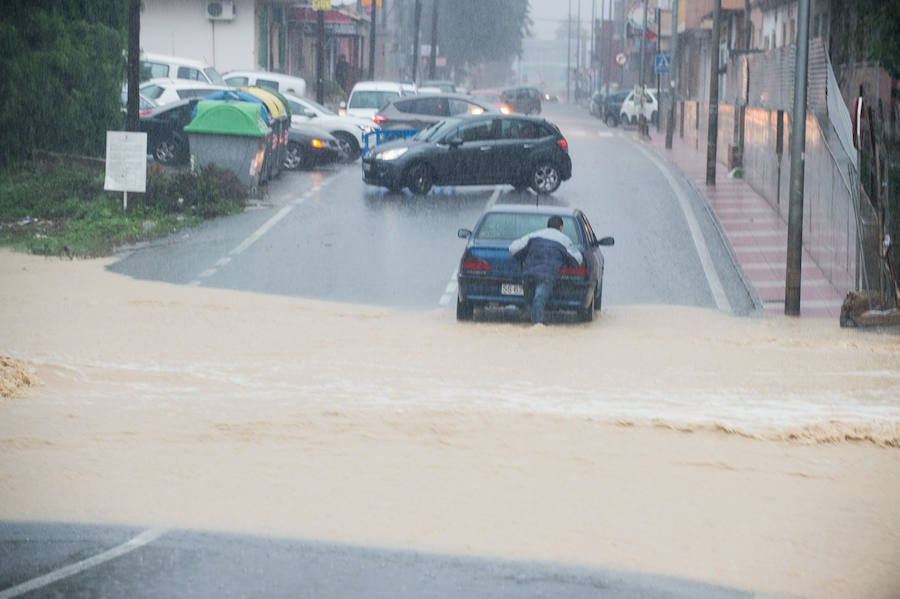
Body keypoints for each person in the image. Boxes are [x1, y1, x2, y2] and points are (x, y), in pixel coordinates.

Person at [509, 215, 583, 325]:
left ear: (547, 226)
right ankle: (538, 327)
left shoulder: (534, 235)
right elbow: (577, 260)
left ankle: (531, 323)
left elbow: (513, 248)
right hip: (547, 276)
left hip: (529, 274)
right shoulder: (564, 240)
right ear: (561, 228)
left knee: (530, 301)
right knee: (538, 300)